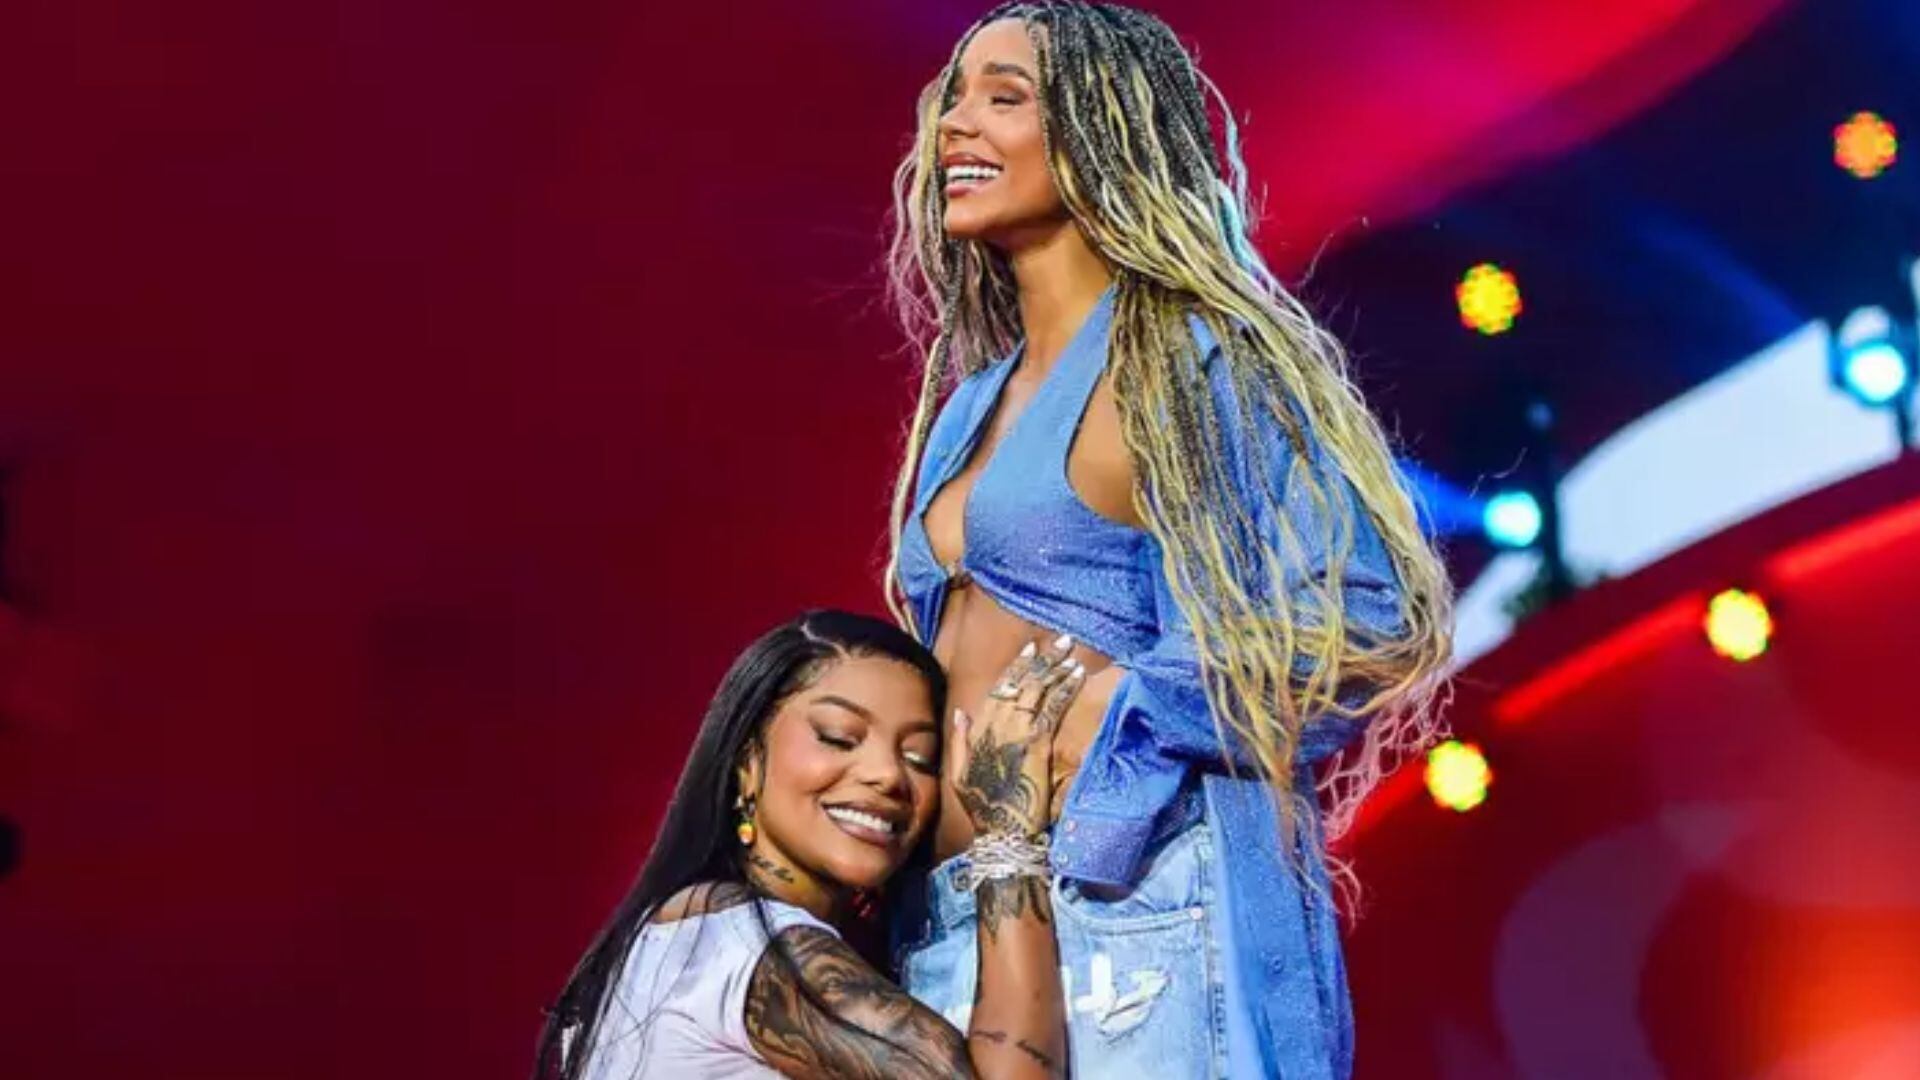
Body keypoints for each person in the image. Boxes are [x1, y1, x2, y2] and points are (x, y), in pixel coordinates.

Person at [882, 4, 1455, 1076]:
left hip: (1134, 908)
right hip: (954, 926)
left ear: (1103, 129)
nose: (955, 125)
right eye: (953, 98)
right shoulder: (968, 407)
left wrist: (1113, 712)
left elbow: (1366, 614)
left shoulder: (1192, 360)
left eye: (1004, 98)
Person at [532, 609, 1088, 1078]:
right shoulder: (740, 946)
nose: (886, 775)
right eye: (839, 738)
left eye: (919, 758)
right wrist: (1008, 838)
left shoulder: (688, 938)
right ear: (747, 762)